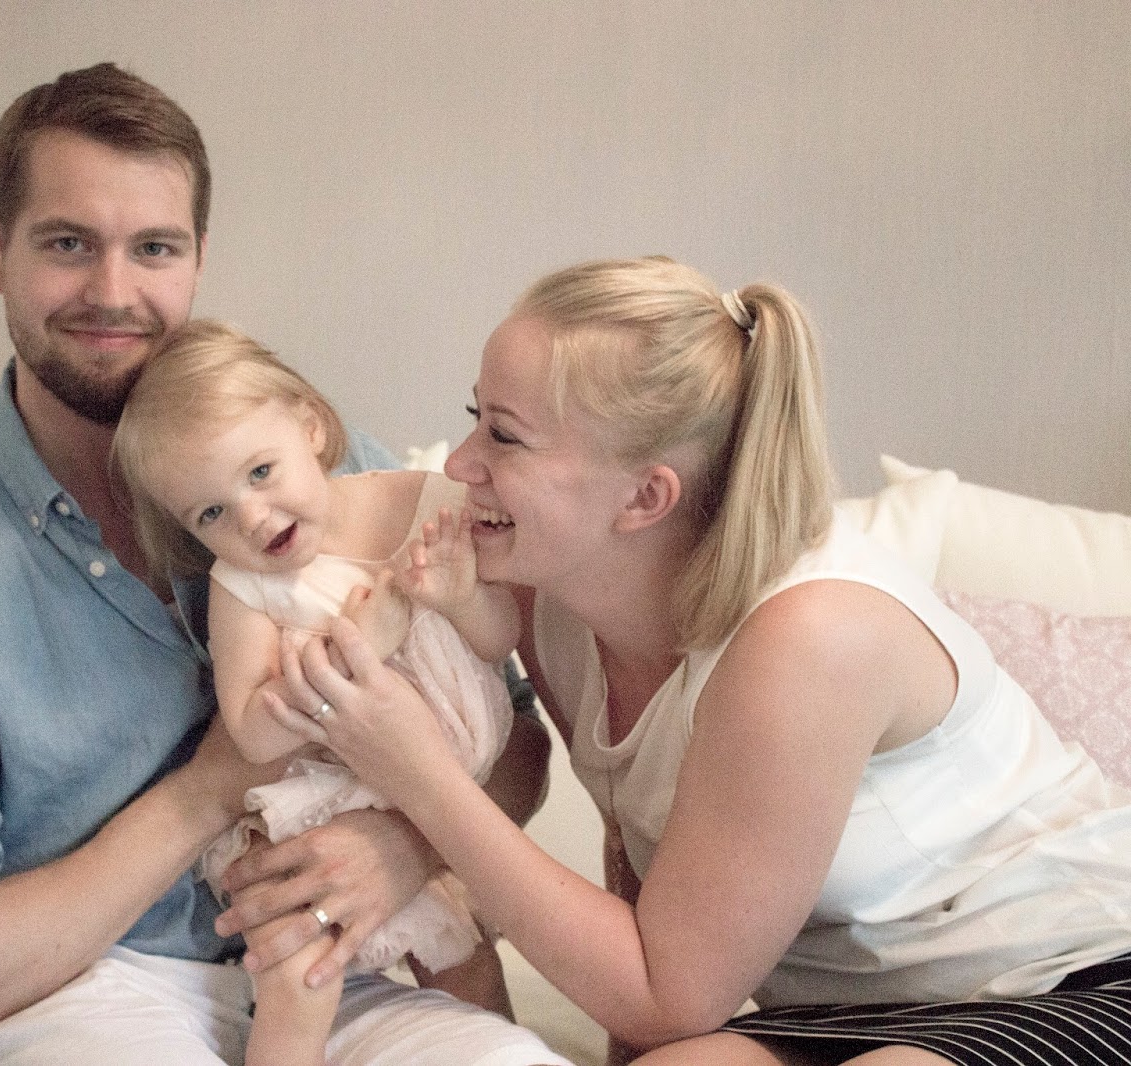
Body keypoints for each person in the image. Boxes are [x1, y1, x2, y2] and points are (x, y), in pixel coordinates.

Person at [0, 62, 569, 1066]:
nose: (112, 292)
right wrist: (211, 789)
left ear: (197, 259)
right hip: (84, 989)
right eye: (68, 244)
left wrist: (405, 844)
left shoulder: (331, 481)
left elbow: (513, 743)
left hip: (356, 970)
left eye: (153, 248)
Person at [266, 256, 1131, 1066]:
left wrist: (421, 778)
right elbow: (641, 862)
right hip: (843, 1009)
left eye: (504, 436)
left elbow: (667, 995)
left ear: (646, 496)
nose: (461, 464)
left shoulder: (806, 638)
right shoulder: (544, 579)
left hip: (1071, 972)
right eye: (473, 418)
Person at [113, 319, 524, 1065]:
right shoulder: (244, 586)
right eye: (211, 513)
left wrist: (461, 597)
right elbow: (251, 732)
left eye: (260, 472)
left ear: (310, 426)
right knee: (300, 968)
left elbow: (499, 643)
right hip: (327, 798)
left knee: (464, 954)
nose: (252, 517)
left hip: (434, 796)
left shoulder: (428, 504)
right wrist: (362, 639)